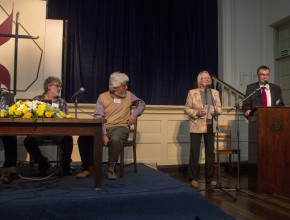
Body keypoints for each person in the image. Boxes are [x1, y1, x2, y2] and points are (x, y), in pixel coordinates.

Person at [77, 72, 145, 180]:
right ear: (115, 87)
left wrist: (134, 114)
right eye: (124, 85)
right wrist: (103, 134)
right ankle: (87, 168)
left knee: (116, 139)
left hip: (121, 127)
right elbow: (99, 118)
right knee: (83, 138)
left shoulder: (129, 95)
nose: (126, 87)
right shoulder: (102, 97)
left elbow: (142, 104)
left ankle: (110, 169)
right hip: (105, 127)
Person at [23, 77, 73, 176]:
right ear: (49, 86)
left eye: (60, 86)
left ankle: (65, 167)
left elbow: (66, 118)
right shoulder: (37, 99)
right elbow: (31, 116)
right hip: (40, 131)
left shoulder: (62, 101)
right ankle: (43, 163)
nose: (59, 88)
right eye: (57, 86)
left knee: (68, 139)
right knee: (28, 141)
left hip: (56, 131)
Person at [184, 71, 222, 188]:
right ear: (200, 80)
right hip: (197, 125)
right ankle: (193, 177)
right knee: (195, 152)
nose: (207, 79)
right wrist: (197, 112)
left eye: (208, 78)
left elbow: (220, 108)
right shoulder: (192, 92)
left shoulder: (215, 93)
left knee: (210, 153)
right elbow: (186, 108)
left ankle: (209, 177)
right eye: (205, 78)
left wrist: (215, 111)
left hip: (211, 124)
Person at [0, 81, 17, 184]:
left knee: (10, 137)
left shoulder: (8, 96)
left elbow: (13, 110)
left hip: (4, 125)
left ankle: (8, 171)